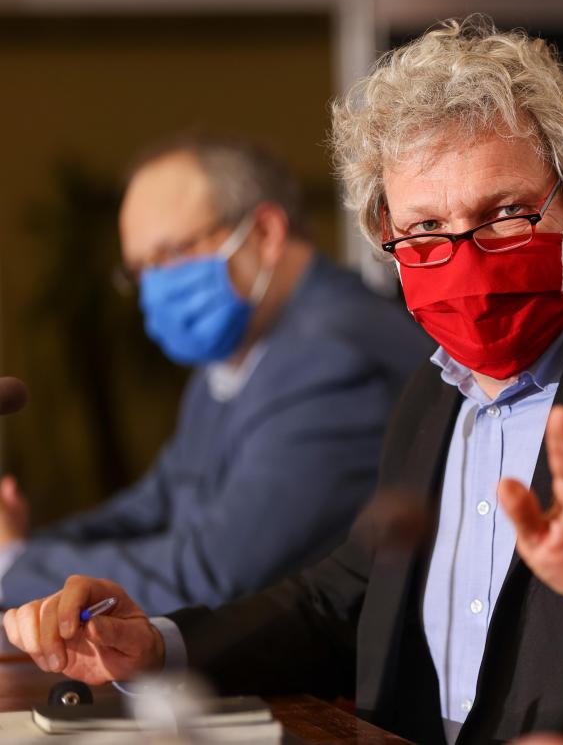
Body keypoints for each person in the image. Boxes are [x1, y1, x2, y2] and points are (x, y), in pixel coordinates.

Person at [2, 18, 563, 744]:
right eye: (424, 229)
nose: (464, 258)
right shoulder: (433, 388)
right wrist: (152, 644)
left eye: (504, 213)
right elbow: (345, 598)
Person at [0, 134, 431, 615]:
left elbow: (214, 572)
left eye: (171, 254)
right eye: (141, 269)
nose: (154, 287)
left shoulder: (332, 358)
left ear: (265, 233)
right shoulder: (243, 345)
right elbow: (156, 505)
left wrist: (16, 564)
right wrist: (16, 548)